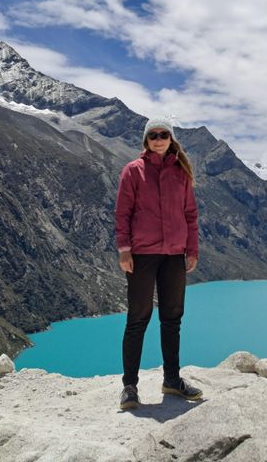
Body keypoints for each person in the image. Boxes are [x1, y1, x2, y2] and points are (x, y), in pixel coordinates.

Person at [115, 116, 202, 410]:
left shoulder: (181, 172)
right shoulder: (133, 171)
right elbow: (123, 213)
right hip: (142, 254)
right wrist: (124, 250)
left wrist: (192, 250)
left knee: (172, 318)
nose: (159, 139)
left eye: (164, 134)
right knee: (137, 318)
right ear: (146, 139)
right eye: (153, 135)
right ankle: (129, 387)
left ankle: (172, 380)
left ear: (171, 138)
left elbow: (190, 215)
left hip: (174, 255)